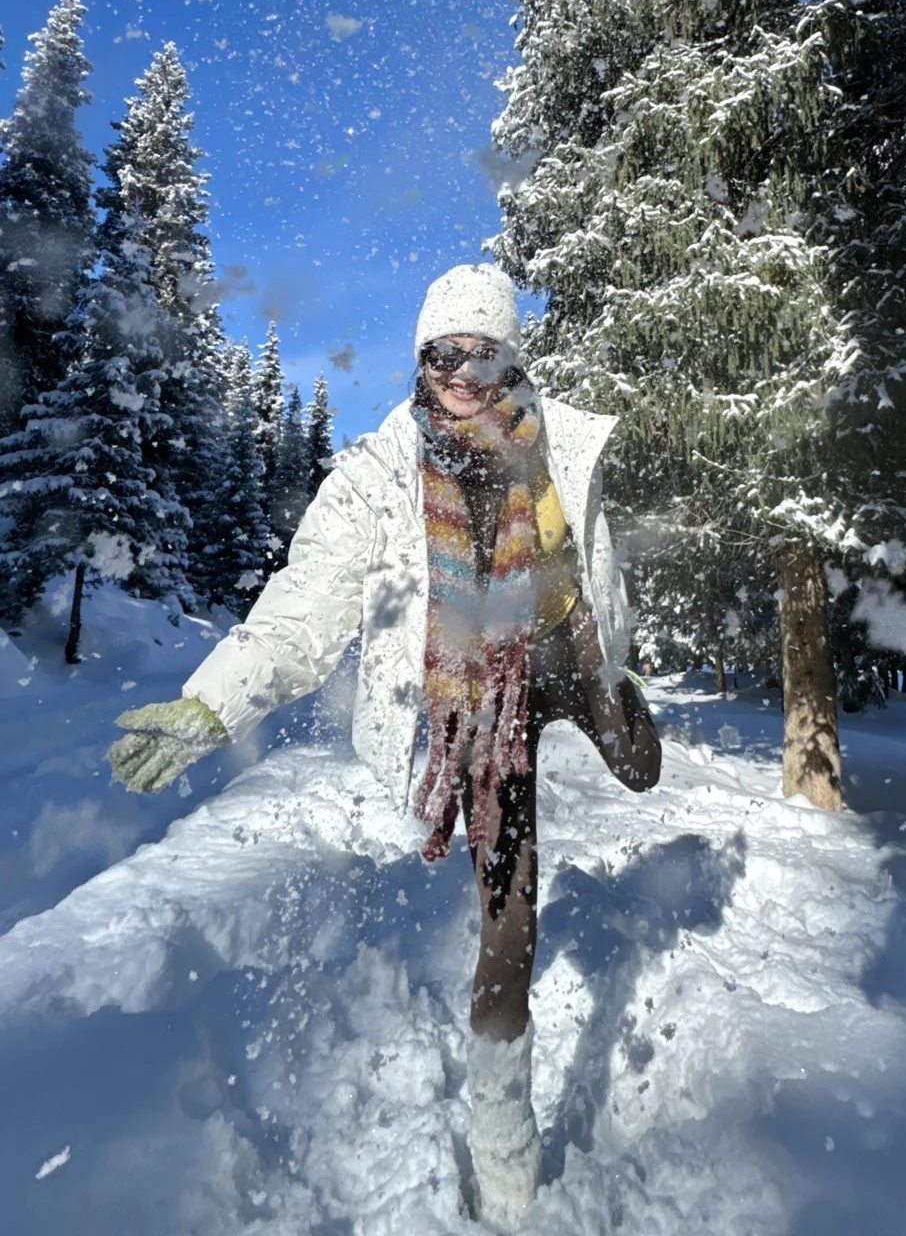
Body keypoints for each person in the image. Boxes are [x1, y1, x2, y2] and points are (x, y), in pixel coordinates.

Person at [106, 263, 661, 1231]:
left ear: (511, 354)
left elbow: (600, 554)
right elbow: (302, 607)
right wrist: (211, 706)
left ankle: (619, 705)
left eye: (481, 349)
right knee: (508, 917)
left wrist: (605, 653)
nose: (459, 369)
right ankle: (505, 1154)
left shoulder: (561, 439)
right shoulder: (378, 470)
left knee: (640, 768)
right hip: (484, 699)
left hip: (570, 655)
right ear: (419, 357)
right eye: (439, 351)